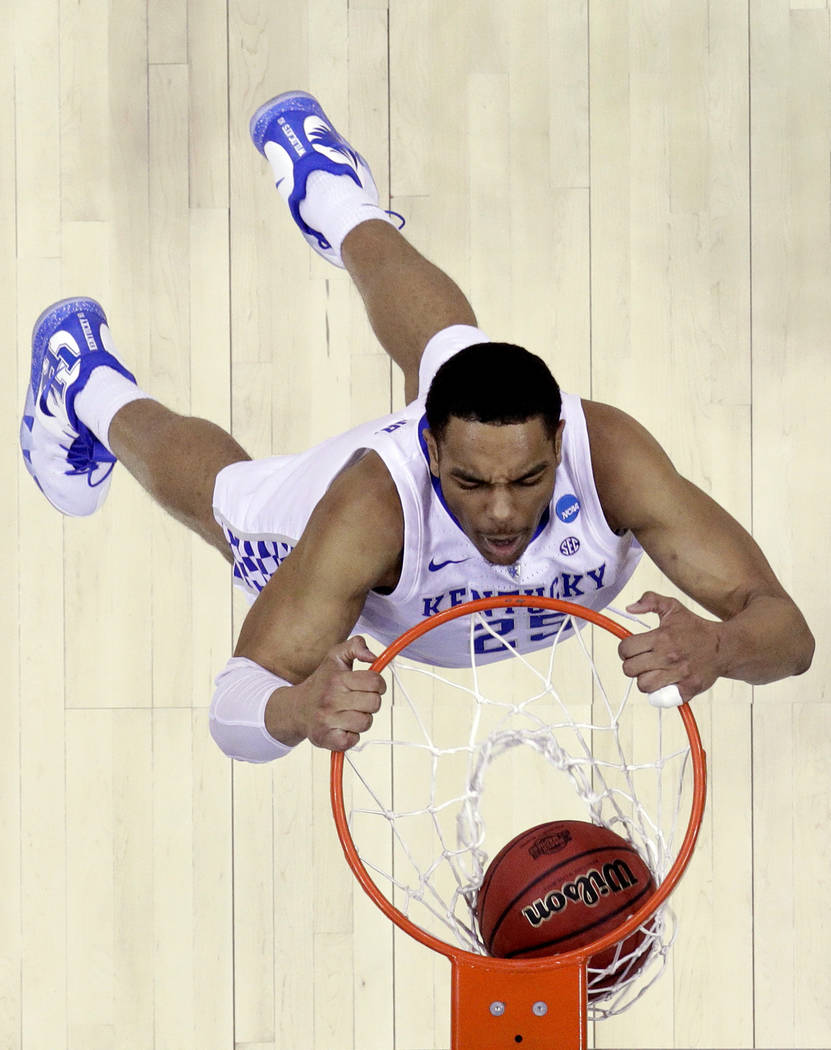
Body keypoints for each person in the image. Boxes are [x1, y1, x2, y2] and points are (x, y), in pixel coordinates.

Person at [20, 91, 814, 763]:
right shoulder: (371, 508)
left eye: (527, 478)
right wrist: (296, 711)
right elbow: (236, 706)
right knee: (229, 503)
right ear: (428, 448)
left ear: (557, 440)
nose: (502, 511)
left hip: (485, 444)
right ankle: (86, 385)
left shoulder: (609, 457)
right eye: (470, 482)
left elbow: (788, 635)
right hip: (355, 515)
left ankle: (334, 196)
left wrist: (719, 647)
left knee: (456, 351)